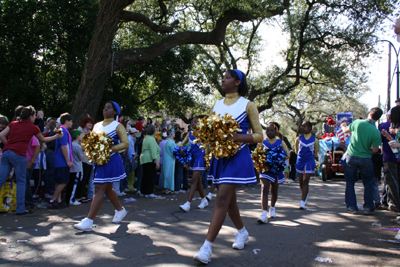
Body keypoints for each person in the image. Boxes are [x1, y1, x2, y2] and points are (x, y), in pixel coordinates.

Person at [193, 69, 263, 264]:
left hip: (238, 155)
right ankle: (242, 232)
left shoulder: (248, 105)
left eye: (228, 77)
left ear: (238, 81)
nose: (223, 80)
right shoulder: (216, 104)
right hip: (219, 156)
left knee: (222, 198)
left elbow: (259, 135)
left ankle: (206, 247)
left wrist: (237, 137)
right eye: (222, 77)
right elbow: (213, 130)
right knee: (229, 201)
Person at [74, 101, 129, 231]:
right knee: (107, 189)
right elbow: (93, 142)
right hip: (99, 160)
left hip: (110, 160)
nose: (105, 110)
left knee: (99, 188)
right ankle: (120, 210)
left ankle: (89, 220)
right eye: (104, 107)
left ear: (115, 112)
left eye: (109, 108)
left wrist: (108, 149)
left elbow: (125, 143)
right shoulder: (97, 125)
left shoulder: (118, 126)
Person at [0, 106, 62, 215]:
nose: (34, 117)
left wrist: (8, 146)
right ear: (30, 116)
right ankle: (20, 209)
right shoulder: (33, 127)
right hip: (19, 155)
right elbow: (43, 139)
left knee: (1, 178)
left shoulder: (13, 124)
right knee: (21, 182)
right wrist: (56, 136)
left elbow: (1, 134)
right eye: (34, 116)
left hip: (7, 153)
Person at [341, 107, 383, 215]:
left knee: (350, 182)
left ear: (370, 114)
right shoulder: (376, 132)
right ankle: (368, 207)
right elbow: (375, 149)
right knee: (368, 183)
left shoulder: (358, 123)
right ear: (378, 118)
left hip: (352, 156)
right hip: (366, 158)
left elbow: (346, 131)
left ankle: (352, 207)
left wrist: (343, 125)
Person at [257, 122, 289, 223]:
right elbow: (257, 153)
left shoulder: (280, 142)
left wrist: (278, 158)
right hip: (265, 169)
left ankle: (272, 207)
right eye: (267, 130)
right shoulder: (263, 142)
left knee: (274, 190)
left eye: (271, 130)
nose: (269, 132)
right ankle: (264, 214)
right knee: (264, 188)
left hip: (276, 169)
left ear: (276, 132)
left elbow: (287, 154)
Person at [179, 117, 209, 212]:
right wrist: (180, 150)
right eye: (192, 122)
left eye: (196, 122)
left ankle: (187, 204)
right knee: (198, 181)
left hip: (200, 158)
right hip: (192, 159)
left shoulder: (203, 134)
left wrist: (207, 159)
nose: (193, 123)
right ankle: (204, 200)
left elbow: (208, 148)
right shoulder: (190, 134)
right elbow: (182, 144)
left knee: (194, 180)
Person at [47, 113, 74, 209]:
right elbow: (63, 147)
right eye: (71, 121)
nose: (72, 123)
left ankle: (58, 200)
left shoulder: (61, 130)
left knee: (59, 181)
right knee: (63, 181)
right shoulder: (64, 132)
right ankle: (52, 200)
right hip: (62, 161)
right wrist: (68, 161)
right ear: (66, 121)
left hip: (58, 160)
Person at [295, 121, 318, 210]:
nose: (303, 128)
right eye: (302, 126)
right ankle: (305, 194)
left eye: (305, 126)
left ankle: (302, 201)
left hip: (309, 160)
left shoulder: (315, 139)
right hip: (300, 160)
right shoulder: (298, 138)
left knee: (306, 181)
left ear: (310, 129)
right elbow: (296, 150)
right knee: (300, 181)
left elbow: (315, 152)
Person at [380, 110, 400, 212]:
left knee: (392, 183)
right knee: (392, 183)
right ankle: (394, 205)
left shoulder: (391, 127)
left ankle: (394, 205)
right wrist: (388, 135)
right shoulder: (392, 128)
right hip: (394, 157)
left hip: (390, 159)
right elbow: (393, 142)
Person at [139, 124, 161, 198]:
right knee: (151, 176)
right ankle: (149, 191)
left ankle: (144, 191)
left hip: (144, 159)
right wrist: (157, 162)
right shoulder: (151, 139)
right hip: (150, 159)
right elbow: (153, 152)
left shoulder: (146, 138)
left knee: (145, 175)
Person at [66, 130, 85, 206]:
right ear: (77, 136)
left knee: (71, 183)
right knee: (74, 184)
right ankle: (71, 199)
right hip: (77, 167)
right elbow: (81, 157)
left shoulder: (71, 145)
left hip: (72, 167)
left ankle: (69, 198)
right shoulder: (77, 146)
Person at [158, 130, 176, 194]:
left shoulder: (167, 142)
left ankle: (164, 187)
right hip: (170, 160)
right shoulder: (171, 142)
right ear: (171, 134)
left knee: (165, 173)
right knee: (169, 174)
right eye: (173, 133)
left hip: (166, 159)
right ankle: (168, 188)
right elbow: (174, 152)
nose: (174, 134)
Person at [126, 127, 139, 192]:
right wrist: (130, 160)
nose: (136, 133)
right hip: (131, 157)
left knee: (131, 171)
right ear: (133, 133)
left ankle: (129, 185)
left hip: (132, 156)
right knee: (130, 171)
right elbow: (129, 150)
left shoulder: (131, 139)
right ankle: (128, 186)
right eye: (135, 132)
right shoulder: (129, 139)